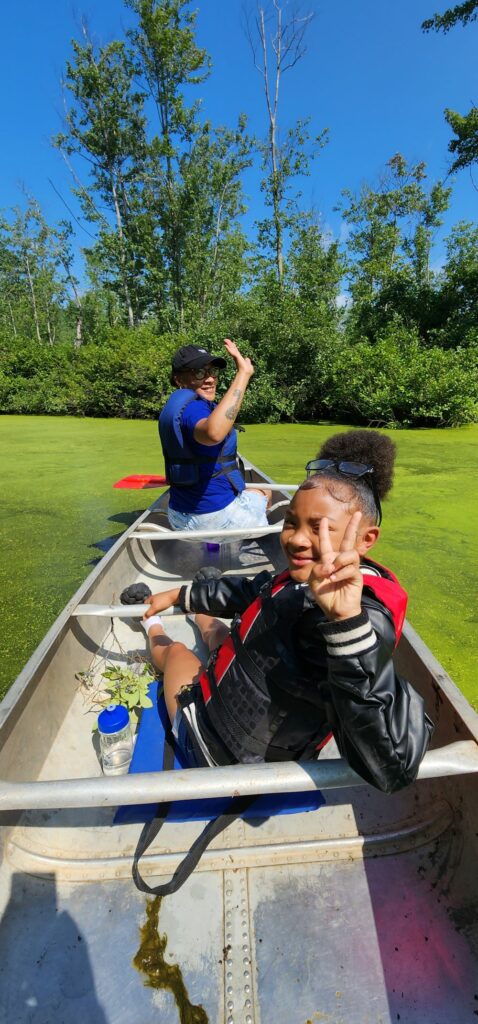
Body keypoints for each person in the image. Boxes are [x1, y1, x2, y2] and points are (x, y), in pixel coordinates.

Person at [136, 429, 433, 793]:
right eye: (291, 521)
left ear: (365, 539)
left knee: (177, 652)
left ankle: (150, 625)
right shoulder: (300, 575)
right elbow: (256, 591)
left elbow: (394, 768)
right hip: (247, 678)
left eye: (320, 528)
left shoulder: (358, 618)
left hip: (221, 755)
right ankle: (199, 617)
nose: (295, 539)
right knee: (219, 634)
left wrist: (346, 624)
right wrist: (184, 593)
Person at [159, 338, 269, 531]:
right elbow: (213, 434)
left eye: (213, 372)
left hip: (178, 516)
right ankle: (234, 538)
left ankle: (210, 547)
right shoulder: (194, 410)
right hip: (213, 519)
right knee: (265, 491)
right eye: (199, 372)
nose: (209, 379)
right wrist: (243, 374)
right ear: (179, 379)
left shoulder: (181, 405)